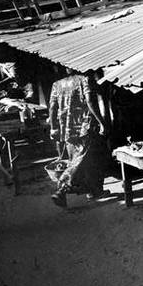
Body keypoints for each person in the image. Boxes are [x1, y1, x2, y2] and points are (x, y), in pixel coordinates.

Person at [48, 68, 108, 207]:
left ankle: (94, 192)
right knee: (80, 161)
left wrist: (53, 127)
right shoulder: (84, 80)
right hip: (84, 128)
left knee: (85, 160)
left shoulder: (57, 84)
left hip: (67, 130)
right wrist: (102, 122)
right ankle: (61, 190)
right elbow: (90, 102)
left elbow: (52, 107)